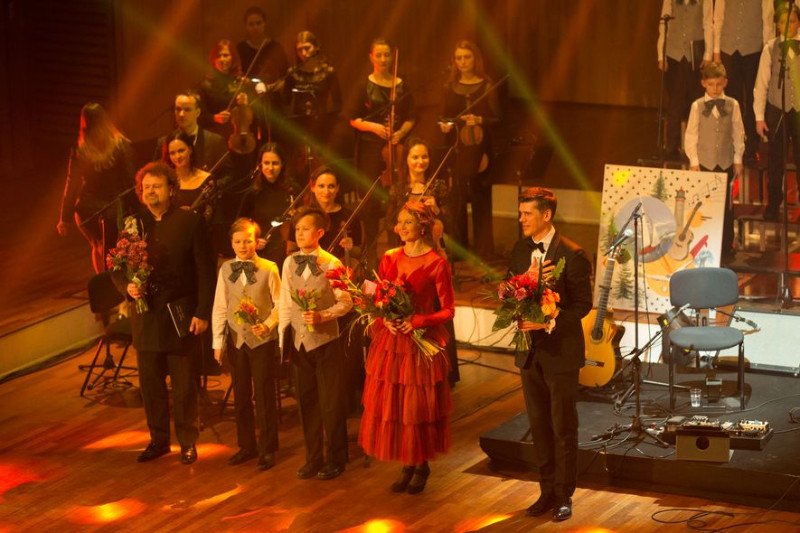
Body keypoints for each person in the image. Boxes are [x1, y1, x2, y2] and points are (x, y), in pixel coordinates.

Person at [120, 161, 216, 465]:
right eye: (146, 187)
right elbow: (118, 268)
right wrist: (127, 287)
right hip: (146, 317)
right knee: (150, 385)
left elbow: (206, 271)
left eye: (157, 186)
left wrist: (202, 312)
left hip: (179, 315)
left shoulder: (190, 222)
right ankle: (158, 440)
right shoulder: (134, 225)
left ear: (171, 189)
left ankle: (188, 441)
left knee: (184, 385)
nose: (151, 191)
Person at [358, 202, 455, 495]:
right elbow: (379, 298)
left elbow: (448, 310)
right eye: (398, 222)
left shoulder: (436, 263)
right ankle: (407, 463)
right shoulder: (390, 256)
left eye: (407, 223)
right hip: (392, 341)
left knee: (416, 406)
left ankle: (420, 463)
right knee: (396, 404)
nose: (399, 228)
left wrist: (418, 321)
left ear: (422, 226)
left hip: (419, 340)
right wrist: (385, 320)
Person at [508, 187, 592, 522]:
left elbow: (583, 305)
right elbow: (508, 294)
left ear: (546, 215)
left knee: (562, 426)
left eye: (527, 213)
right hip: (528, 353)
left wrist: (549, 320)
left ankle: (563, 495)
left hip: (560, 353)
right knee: (539, 426)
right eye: (520, 213)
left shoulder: (572, 253)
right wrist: (523, 284)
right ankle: (545, 492)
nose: (521, 219)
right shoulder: (519, 250)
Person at [278, 205, 353, 480]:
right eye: (297, 229)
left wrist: (323, 315)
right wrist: (283, 340)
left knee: (331, 402)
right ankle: (313, 458)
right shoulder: (289, 262)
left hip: (326, 341)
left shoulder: (332, 263)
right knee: (306, 401)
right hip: (299, 342)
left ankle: (336, 457)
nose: (299, 233)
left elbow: (346, 302)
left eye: (305, 228)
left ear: (320, 232)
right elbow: (285, 302)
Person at [212, 218, 281, 471]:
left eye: (248, 241)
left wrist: (268, 324)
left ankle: (267, 448)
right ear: (231, 243)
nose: (243, 246)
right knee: (241, 395)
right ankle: (246, 445)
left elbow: (280, 304)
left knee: (263, 394)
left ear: (257, 242)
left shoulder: (269, 268)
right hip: (236, 340)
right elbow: (220, 306)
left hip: (261, 340)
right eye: (238, 242)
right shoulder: (225, 269)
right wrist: (217, 342)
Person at [349, 38, 416, 271]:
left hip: (395, 149)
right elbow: (353, 118)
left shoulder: (401, 85)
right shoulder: (363, 85)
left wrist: (401, 133)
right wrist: (374, 127)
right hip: (370, 148)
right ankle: (371, 253)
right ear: (371, 57)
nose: (384, 59)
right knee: (370, 202)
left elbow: (411, 117)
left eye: (387, 55)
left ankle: (399, 252)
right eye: (379, 55)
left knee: (396, 200)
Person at [439, 40, 500, 260]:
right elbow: (443, 117)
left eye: (467, 57)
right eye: (459, 58)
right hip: (458, 149)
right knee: (457, 199)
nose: (463, 62)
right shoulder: (448, 87)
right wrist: (446, 125)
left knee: (481, 197)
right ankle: (459, 250)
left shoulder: (487, 85)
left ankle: (484, 250)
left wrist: (480, 120)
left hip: (481, 149)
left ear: (476, 59)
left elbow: (498, 118)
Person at [57, 103, 134, 273]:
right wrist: (135, 207)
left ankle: (103, 283)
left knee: (97, 244)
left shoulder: (80, 149)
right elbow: (129, 178)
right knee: (114, 247)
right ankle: (113, 282)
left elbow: (72, 183)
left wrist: (65, 217)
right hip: (113, 205)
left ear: (84, 123)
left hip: (87, 208)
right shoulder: (121, 144)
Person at [684, 62, 745, 261]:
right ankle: (704, 245)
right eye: (711, 84)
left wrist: (738, 158)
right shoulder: (697, 106)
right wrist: (694, 161)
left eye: (719, 84)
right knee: (704, 206)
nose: (715, 89)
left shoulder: (733, 105)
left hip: (725, 163)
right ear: (703, 84)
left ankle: (726, 245)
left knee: (727, 207)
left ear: (725, 82)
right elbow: (691, 135)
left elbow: (738, 132)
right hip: (704, 164)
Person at [714, 0, 775, 165]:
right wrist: (716, 51)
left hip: (753, 48)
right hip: (728, 47)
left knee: (753, 98)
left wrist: (768, 50)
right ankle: (732, 146)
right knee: (731, 100)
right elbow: (718, 17)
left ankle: (751, 147)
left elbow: (768, 20)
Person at [754, 2, 800, 221]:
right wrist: (759, 117)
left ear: (798, 23)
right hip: (776, 108)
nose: (788, 26)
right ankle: (773, 202)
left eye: (793, 21)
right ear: (778, 25)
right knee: (775, 160)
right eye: (783, 22)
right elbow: (761, 84)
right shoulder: (770, 48)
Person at [656, 0, 713, 160]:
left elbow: (708, 24)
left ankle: (693, 147)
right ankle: (672, 146)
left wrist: (708, 54)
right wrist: (661, 54)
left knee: (695, 103)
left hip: (695, 55)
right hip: (674, 54)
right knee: (675, 101)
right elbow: (663, 25)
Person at [282, 30, 342, 172]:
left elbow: (338, 103)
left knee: (321, 167)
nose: (303, 53)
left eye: (307, 48)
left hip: (321, 127)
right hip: (299, 127)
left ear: (316, 47)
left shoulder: (328, 72)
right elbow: (285, 103)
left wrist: (329, 124)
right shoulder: (293, 73)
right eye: (299, 50)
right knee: (299, 168)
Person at [238, 143, 301, 268]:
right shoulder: (253, 193)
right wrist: (253, 240)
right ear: (260, 164)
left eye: (275, 163)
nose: (270, 168)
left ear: (282, 164)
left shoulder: (293, 190)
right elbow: (240, 224)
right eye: (266, 163)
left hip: (289, 252)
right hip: (261, 253)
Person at [154, 91, 227, 173]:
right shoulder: (162, 143)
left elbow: (228, 175)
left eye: (187, 110)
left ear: (198, 112)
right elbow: (156, 174)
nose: (181, 114)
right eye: (178, 109)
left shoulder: (215, 142)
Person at [163, 130, 216, 222]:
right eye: (172, 153)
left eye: (181, 151)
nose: (177, 156)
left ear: (190, 149)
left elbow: (211, 216)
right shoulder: (165, 180)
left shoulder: (207, 179)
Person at [236, 6, 288, 89]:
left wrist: (268, 88)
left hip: (272, 93)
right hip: (248, 93)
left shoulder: (276, 48)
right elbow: (236, 76)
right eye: (251, 24)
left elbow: (285, 78)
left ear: (264, 23)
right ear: (246, 26)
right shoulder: (241, 49)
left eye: (258, 23)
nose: (255, 27)